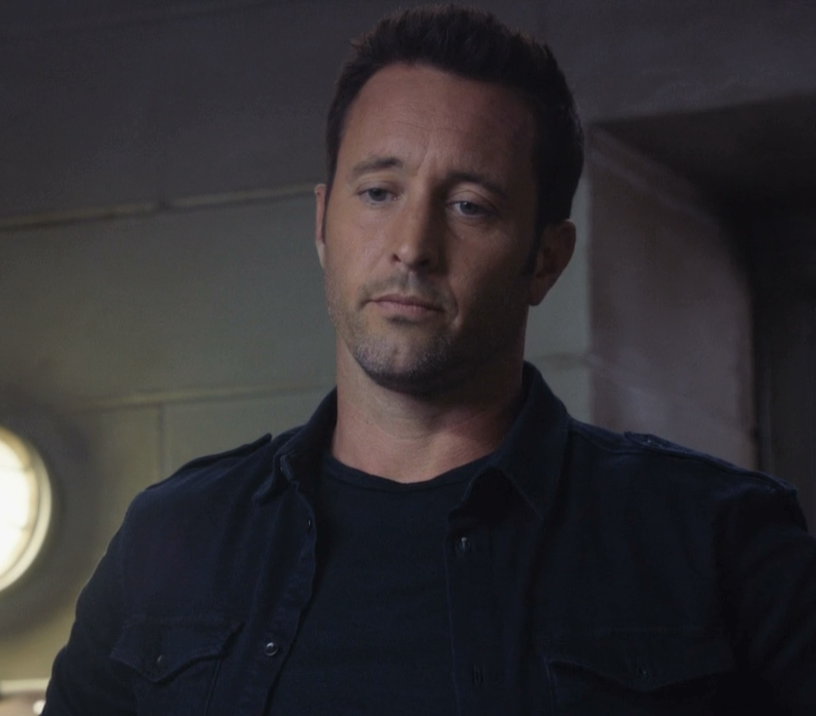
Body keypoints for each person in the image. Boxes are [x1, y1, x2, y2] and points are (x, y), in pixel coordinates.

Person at [44, 5, 816, 715]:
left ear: (546, 259)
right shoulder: (173, 538)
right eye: (379, 192)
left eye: (469, 205)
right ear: (323, 222)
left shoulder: (717, 538)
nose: (412, 246)